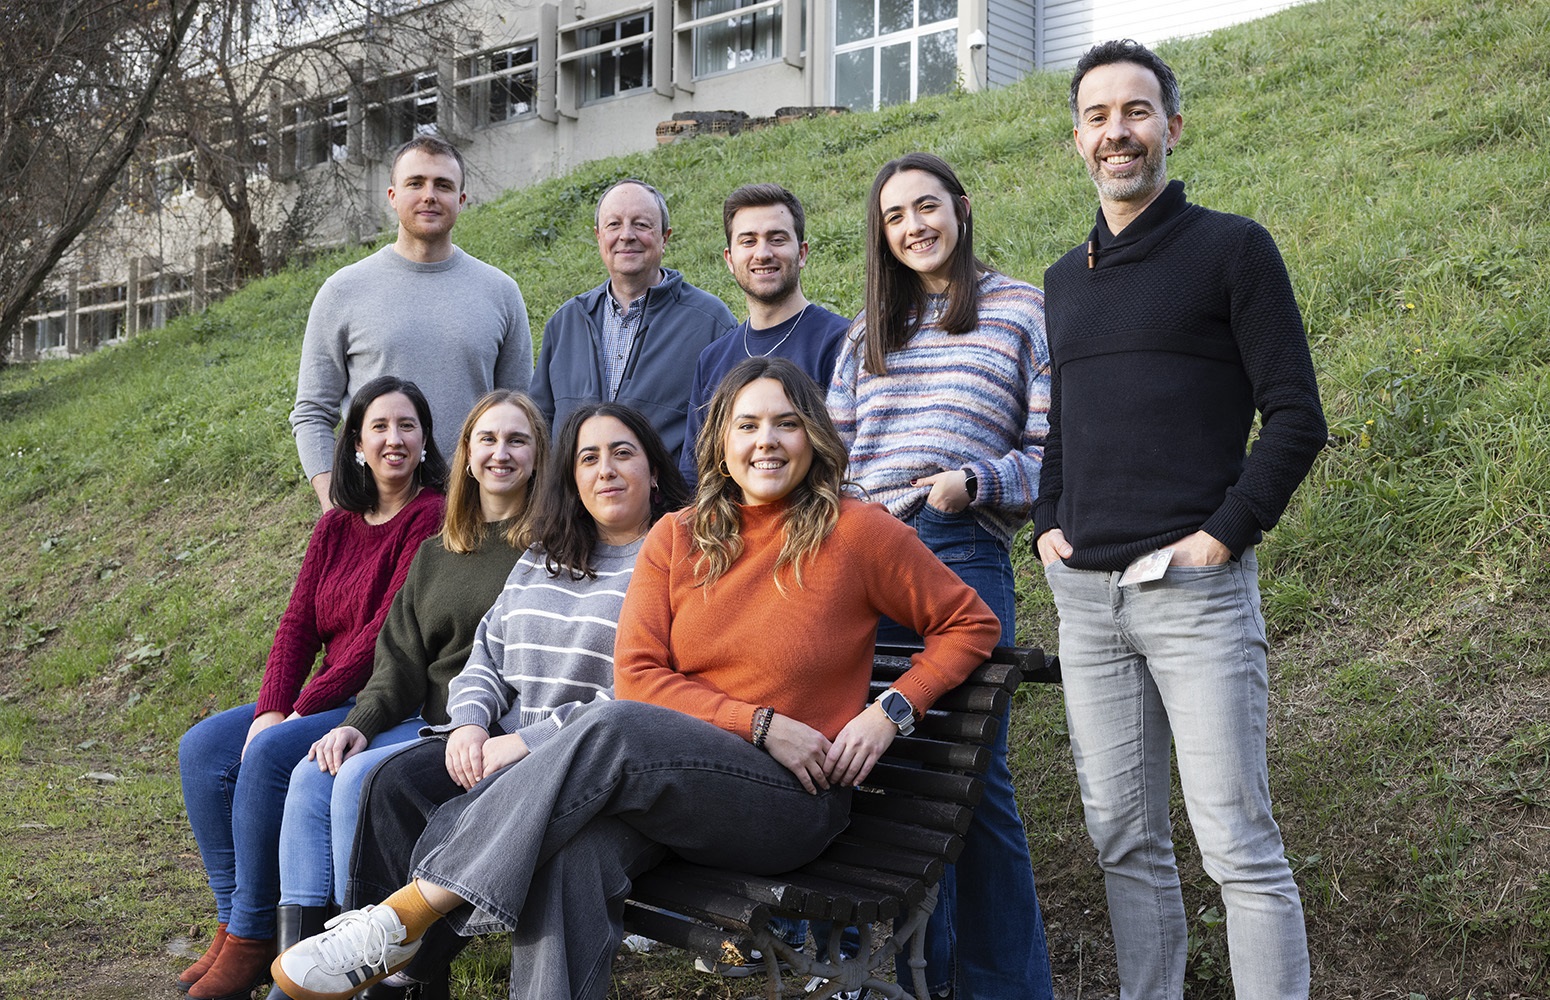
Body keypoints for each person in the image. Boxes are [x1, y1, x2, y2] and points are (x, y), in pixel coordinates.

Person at [271, 357, 1000, 1000]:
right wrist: (757, 723)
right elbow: (643, 676)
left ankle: (405, 916)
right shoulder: (678, 539)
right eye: (746, 425)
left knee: (614, 725)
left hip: (789, 802)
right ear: (721, 440)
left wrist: (890, 710)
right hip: (675, 789)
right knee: (573, 860)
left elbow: (971, 624)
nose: (766, 442)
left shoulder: (857, 532)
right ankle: (406, 925)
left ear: (813, 435)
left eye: (785, 424)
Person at [1035, 39, 1327, 999]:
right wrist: (1046, 517)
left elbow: (1296, 415)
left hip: (1193, 593)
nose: (1117, 132)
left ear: (1171, 124)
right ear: (1077, 137)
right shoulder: (1064, 278)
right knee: (1122, 837)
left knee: (1236, 843)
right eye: (1097, 116)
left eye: (1136, 111)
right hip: (1086, 604)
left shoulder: (1232, 249)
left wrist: (1223, 535)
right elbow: (1066, 425)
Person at [329, 402, 689, 1000]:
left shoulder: (672, 561)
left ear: (654, 471)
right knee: (393, 786)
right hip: (499, 741)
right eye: (588, 459)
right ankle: (403, 972)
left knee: (477, 816)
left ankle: (398, 975)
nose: (606, 471)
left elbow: (638, 698)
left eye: (623, 454)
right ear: (570, 477)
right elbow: (487, 654)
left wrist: (526, 743)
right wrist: (468, 723)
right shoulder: (547, 553)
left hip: (582, 762)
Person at [827, 151, 1054, 999]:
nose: (914, 226)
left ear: (961, 208)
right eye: (895, 217)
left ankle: (1003, 990)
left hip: (957, 550)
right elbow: (831, 466)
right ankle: (917, 982)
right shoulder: (865, 333)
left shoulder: (1021, 309)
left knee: (968, 783)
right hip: (862, 562)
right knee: (894, 786)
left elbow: (1050, 455)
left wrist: (973, 484)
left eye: (927, 207)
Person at [175, 376, 448, 1000]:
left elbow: (383, 638)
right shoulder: (337, 525)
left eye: (407, 426)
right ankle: (234, 919)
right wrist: (271, 706)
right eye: (378, 427)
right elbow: (298, 624)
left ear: (426, 440)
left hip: (381, 697)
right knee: (204, 749)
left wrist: (296, 711)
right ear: (354, 443)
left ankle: (251, 939)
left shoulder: (428, 517)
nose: (393, 439)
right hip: (324, 692)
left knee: (270, 752)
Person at [273, 391, 550, 957]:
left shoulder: (549, 550)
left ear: (538, 456)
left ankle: (366, 953)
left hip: (497, 729)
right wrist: (359, 724)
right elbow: (397, 661)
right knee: (312, 774)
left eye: (517, 440)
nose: (501, 453)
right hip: (427, 722)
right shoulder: (438, 551)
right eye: (487, 440)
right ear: (467, 456)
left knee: (356, 780)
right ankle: (301, 957)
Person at [290, 135, 533, 510]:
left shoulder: (500, 292)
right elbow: (311, 412)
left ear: (461, 201)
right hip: (376, 515)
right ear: (392, 196)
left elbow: (522, 414)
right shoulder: (343, 291)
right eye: (415, 183)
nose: (430, 195)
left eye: (444, 185)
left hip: (473, 514)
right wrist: (332, 502)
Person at [528, 178, 736, 463]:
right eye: (614, 224)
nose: (626, 235)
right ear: (599, 236)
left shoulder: (711, 323)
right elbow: (540, 426)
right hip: (573, 505)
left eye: (641, 224)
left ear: (665, 237)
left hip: (668, 505)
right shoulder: (565, 323)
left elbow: (728, 432)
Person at [678, 183, 850, 490]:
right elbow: (696, 473)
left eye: (777, 239)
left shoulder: (842, 342)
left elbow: (847, 464)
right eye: (749, 241)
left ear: (802, 253)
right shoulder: (713, 359)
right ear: (730, 259)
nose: (763, 253)